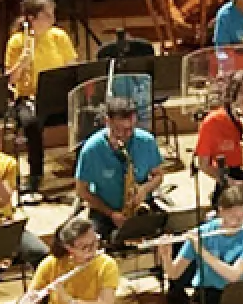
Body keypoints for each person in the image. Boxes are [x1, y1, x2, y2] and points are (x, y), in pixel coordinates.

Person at [1, 0, 81, 193]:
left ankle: (82, 167)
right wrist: (22, 62)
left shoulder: (59, 36)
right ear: (31, 18)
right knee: (31, 123)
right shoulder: (17, 42)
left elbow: (73, 68)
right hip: (29, 97)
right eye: (48, 15)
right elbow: (9, 80)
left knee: (87, 113)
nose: (53, 19)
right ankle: (36, 174)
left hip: (58, 96)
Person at [73, 96, 170, 248]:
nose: (125, 135)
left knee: (167, 236)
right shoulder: (91, 149)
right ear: (107, 122)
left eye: (130, 129)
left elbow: (158, 175)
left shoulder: (146, 141)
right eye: (119, 129)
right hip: (105, 212)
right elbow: (81, 190)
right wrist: (111, 213)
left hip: (140, 207)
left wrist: (144, 189)